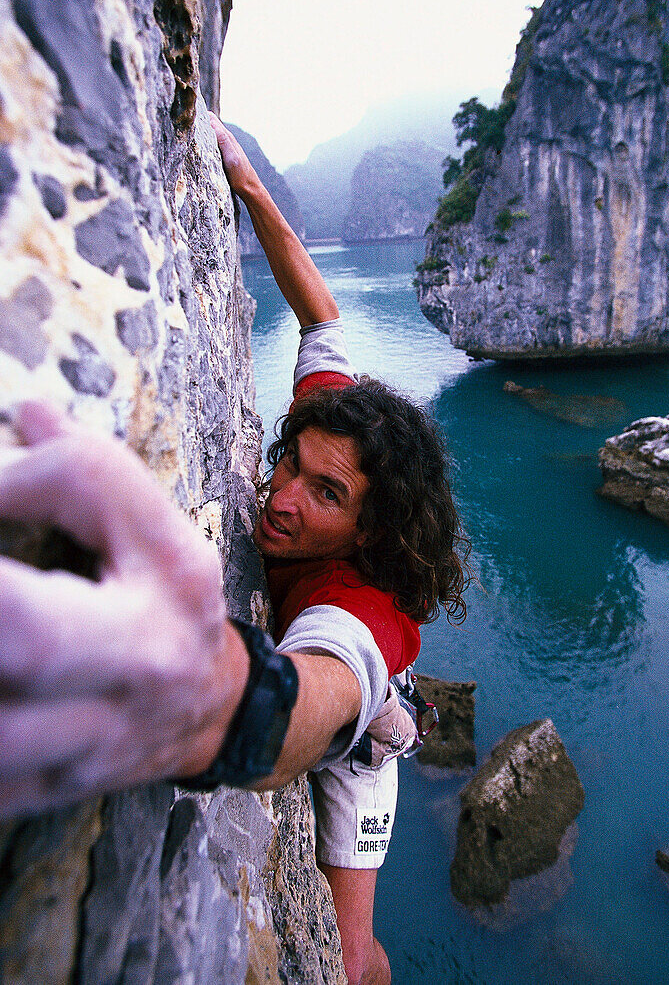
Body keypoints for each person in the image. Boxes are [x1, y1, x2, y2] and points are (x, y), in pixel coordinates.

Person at [0, 113, 469, 985]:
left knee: (352, 958)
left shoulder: (362, 612)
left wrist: (199, 697)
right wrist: (247, 181)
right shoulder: (337, 429)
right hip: (318, 678)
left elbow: (315, 698)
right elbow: (319, 311)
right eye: (289, 463)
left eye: (323, 495)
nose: (281, 498)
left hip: (361, 737)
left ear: (371, 530)